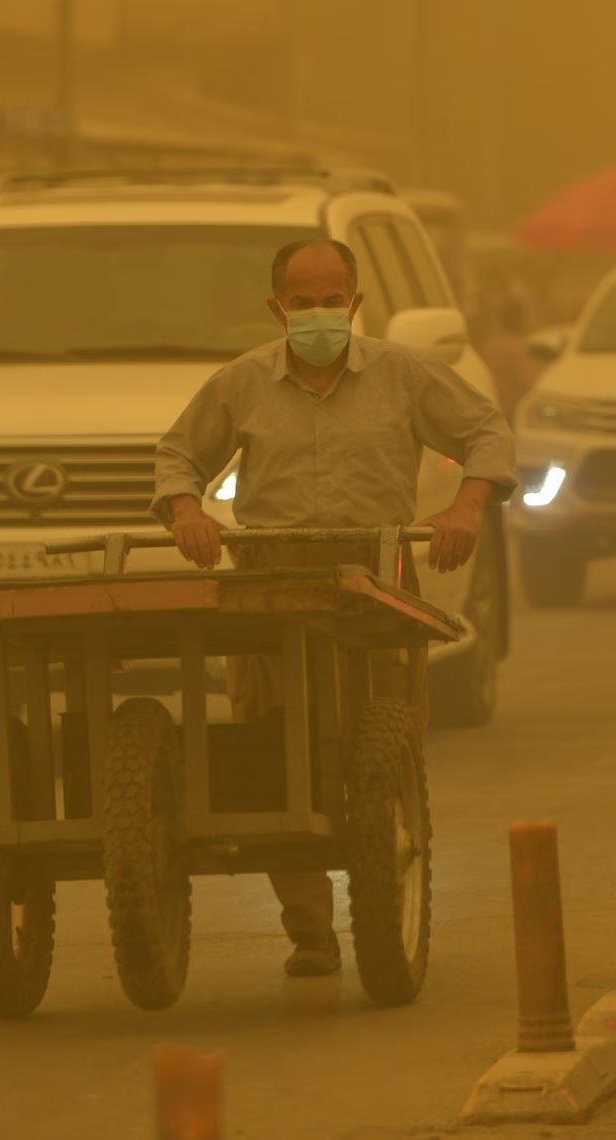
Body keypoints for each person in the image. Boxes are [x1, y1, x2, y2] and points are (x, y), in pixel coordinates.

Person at [152, 238, 516, 978]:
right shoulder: (243, 383)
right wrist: (188, 512)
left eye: (331, 300)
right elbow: (176, 457)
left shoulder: (405, 376)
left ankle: (387, 903)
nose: (318, 313)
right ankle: (310, 930)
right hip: (269, 590)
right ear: (276, 308)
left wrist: (466, 507)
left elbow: (487, 431)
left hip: (376, 582)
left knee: (384, 745)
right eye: (301, 301)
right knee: (271, 754)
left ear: (353, 304)